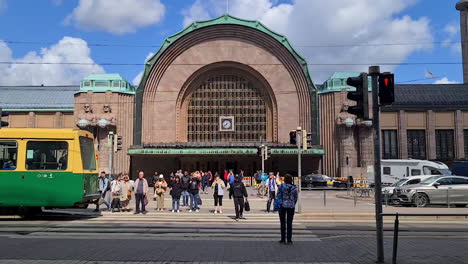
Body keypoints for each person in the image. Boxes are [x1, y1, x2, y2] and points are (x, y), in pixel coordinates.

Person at [277, 174, 298, 245]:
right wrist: (292, 203)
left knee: (282, 223)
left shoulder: (281, 186)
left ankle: (283, 239)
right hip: (291, 207)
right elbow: (295, 198)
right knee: (289, 223)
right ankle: (289, 240)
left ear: (284, 179)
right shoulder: (294, 187)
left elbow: (278, 195)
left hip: (282, 206)